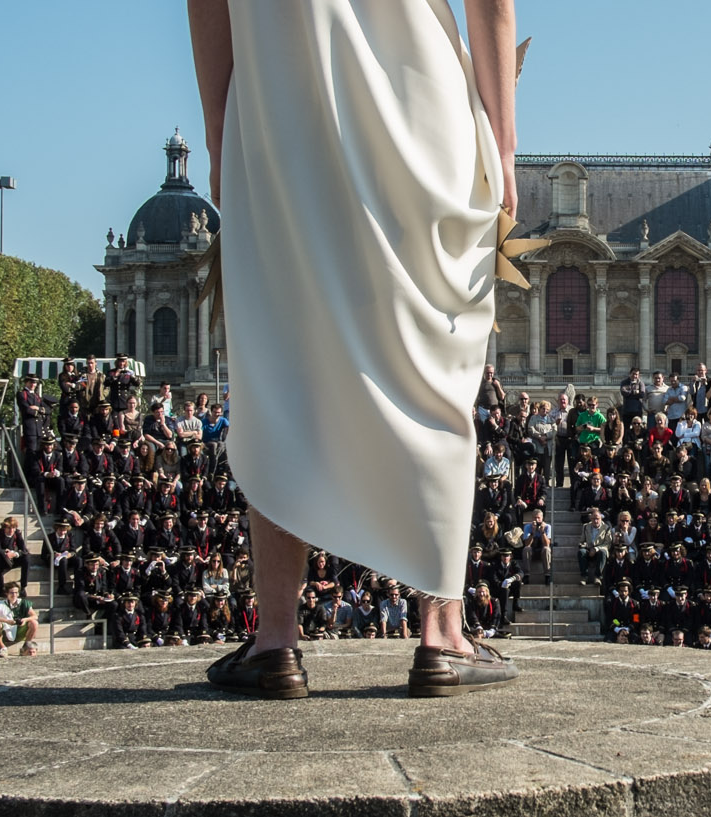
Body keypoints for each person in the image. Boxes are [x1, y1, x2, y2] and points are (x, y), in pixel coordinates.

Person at [192, 0, 522, 697]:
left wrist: (222, 133)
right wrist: (505, 140)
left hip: (278, 99)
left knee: (283, 359)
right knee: (435, 352)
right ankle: (442, 632)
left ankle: (276, 640)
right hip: (418, 97)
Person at [0, 582, 40, 657]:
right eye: (11, 593)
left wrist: (25, 620)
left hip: (19, 630)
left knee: (34, 623)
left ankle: (25, 647)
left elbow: (35, 616)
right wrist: (7, 621)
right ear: (7, 593)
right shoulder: (0, 603)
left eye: (16, 592)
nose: (14, 595)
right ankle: (3, 648)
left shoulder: (24, 603)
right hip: (5, 630)